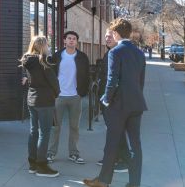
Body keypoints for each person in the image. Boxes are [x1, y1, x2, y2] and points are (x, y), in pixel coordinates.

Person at [84, 18, 147, 187]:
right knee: (135, 146)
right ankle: (134, 184)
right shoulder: (139, 53)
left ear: (116, 33)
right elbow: (141, 82)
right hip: (136, 104)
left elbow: (112, 80)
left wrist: (105, 99)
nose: (110, 34)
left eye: (111, 32)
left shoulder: (115, 52)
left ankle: (103, 181)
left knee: (112, 145)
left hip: (118, 106)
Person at [47, 30, 90, 164]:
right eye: (69, 38)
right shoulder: (57, 56)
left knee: (74, 127)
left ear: (76, 42)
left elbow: (87, 76)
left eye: (74, 39)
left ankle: (74, 153)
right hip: (59, 97)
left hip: (75, 97)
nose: (71, 40)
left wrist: (81, 93)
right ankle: (51, 153)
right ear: (64, 41)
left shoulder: (82, 57)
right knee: (55, 127)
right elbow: (50, 74)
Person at [20, 36, 60, 178]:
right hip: (44, 101)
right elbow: (54, 82)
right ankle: (42, 165)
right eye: (47, 44)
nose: (48, 47)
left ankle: (32, 164)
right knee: (44, 133)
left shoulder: (27, 60)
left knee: (33, 131)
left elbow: (30, 80)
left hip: (32, 100)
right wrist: (56, 93)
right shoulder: (44, 60)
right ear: (43, 46)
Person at [97, 29, 130, 173]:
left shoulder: (118, 53)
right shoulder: (109, 53)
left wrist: (109, 98)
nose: (107, 38)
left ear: (117, 37)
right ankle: (112, 157)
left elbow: (118, 79)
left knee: (117, 131)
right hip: (107, 98)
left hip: (114, 100)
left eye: (110, 36)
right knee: (113, 130)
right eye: (105, 36)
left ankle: (124, 160)